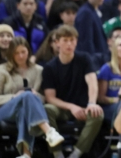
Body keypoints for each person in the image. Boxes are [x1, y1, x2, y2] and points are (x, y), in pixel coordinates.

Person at [0, 37, 65, 158]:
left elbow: (45, 97)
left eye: (23, 52)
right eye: (16, 53)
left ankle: (26, 154)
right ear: (11, 54)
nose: (20, 56)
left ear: (28, 51)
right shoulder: (1, 70)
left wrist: (35, 95)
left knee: (26, 104)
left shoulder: (39, 70)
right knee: (27, 95)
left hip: (28, 111)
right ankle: (49, 132)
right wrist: (14, 96)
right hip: (4, 111)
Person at [42, 25, 104, 158]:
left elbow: (92, 82)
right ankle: (57, 153)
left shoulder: (85, 59)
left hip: (83, 107)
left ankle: (77, 153)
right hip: (62, 109)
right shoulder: (49, 67)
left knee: (97, 114)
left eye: (72, 40)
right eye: (65, 40)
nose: (69, 44)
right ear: (57, 42)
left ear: (76, 41)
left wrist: (92, 103)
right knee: (47, 109)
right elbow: (50, 97)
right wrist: (71, 107)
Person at [74, 0, 110, 66]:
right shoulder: (86, 13)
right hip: (92, 62)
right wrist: (91, 64)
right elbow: (86, 42)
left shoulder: (93, 11)